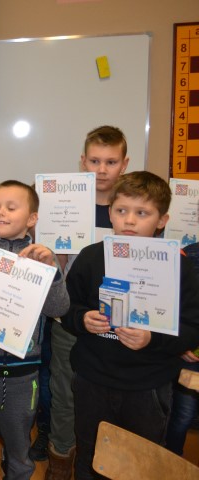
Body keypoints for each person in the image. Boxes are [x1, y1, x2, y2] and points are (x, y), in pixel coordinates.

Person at [62, 171, 199, 479]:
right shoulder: (91, 257)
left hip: (147, 385)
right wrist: (82, 319)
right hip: (93, 379)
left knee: (141, 461)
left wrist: (152, 339)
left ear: (162, 220)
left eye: (142, 213)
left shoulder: (179, 266)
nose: (130, 220)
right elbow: (68, 307)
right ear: (110, 212)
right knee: (90, 453)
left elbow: (192, 328)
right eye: (121, 210)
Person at [0, 180, 69, 480]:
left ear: (32, 218)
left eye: (11, 207)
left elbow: (59, 309)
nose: (0, 213)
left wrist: (52, 270)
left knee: (20, 450)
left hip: (23, 373)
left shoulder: (42, 256)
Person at [45, 125, 130, 479]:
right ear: (82, 161)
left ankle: (107, 463)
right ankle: (60, 459)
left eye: (111, 161)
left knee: (114, 397)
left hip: (122, 323)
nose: (102, 169)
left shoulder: (132, 207)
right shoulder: (64, 205)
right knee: (64, 393)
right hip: (72, 315)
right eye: (95, 161)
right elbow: (57, 264)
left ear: (124, 164)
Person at [165, 240, 199, 456]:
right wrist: (182, 343)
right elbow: (172, 304)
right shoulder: (188, 255)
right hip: (190, 354)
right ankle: (171, 460)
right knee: (183, 414)